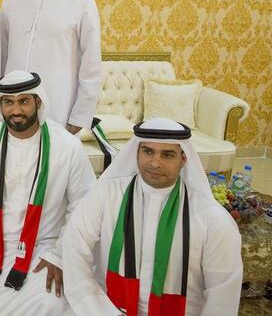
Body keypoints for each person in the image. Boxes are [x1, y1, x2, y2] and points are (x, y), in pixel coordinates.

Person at [62, 118, 242, 316]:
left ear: (183, 159)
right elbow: (74, 249)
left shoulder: (211, 218)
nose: (155, 163)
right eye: (148, 151)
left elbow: (222, 294)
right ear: (136, 152)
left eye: (167, 155)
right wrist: (98, 309)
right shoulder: (106, 194)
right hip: (106, 309)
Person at [0, 71, 95, 315]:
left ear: (38, 102)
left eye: (24, 101)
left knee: (49, 303)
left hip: (43, 249)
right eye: (8, 102)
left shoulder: (66, 145)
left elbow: (83, 205)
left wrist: (59, 256)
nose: (16, 110)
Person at [0, 0, 101, 135]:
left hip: (58, 105)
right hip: (13, 105)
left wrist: (81, 114)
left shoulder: (81, 1)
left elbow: (92, 63)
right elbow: (1, 52)